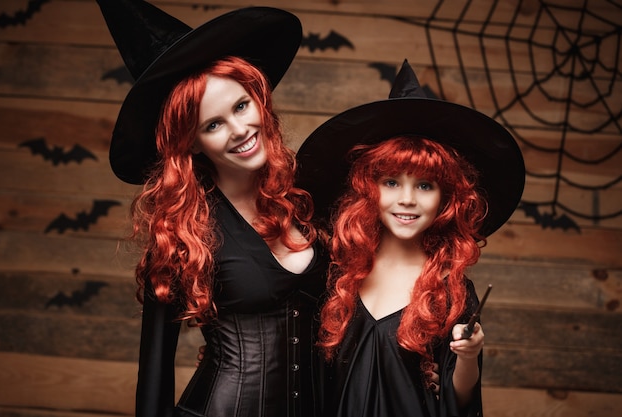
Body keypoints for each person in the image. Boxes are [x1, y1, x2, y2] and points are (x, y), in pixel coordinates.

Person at [95, 1, 328, 416]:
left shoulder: (307, 203)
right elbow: (153, 378)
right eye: (213, 124)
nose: (240, 130)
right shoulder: (182, 233)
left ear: (259, 99)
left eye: (241, 106)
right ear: (191, 143)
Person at [295, 60, 525, 416]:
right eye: (391, 182)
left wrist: (469, 356)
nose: (407, 198)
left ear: (446, 198)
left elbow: (459, 403)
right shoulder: (336, 276)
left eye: (424, 185)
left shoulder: (452, 292)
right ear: (368, 189)